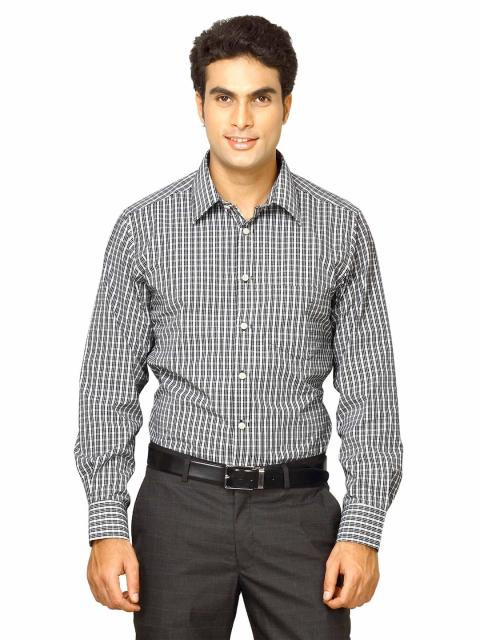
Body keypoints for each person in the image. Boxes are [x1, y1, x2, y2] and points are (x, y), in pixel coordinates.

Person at [73, 14, 403, 640]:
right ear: (199, 104)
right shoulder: (143, 230)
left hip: (300, 516)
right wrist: (106, 523)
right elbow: (106, 388)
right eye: (224, 98)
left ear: (287, 105)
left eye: (261, 98)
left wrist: (362, 529)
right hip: (177, 515)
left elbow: (371, 393)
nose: (242, 119)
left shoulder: (342, 231)